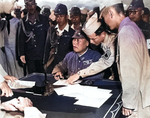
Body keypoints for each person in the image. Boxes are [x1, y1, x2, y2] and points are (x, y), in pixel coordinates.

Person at [101, 3, 150, 118]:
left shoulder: (126, 32)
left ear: (111, 13)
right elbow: (108, 59)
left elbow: (130, 70)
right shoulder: (130, 27)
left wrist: (129, 104)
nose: (105, 22)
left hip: (139, 100)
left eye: (104, 18)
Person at [67, 13, 117, 84]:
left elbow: (105, 62)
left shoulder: (113, 43)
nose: (91, 42)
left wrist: (79, 74)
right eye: (89, 39)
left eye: (93, 39)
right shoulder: (104, 42)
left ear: (102, 34)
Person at [18, 0, 49, 74]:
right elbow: (20, 38)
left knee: (43, 78)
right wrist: (21, 54)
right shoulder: (23, 21)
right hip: (30, 57)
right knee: (31, 79)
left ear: (36, 5)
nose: (31, 6)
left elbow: (48, 37)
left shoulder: (43, 19)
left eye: (32, 4)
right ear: (26, 7)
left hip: (42, 56)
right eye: (28, 5)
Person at [44, 3, 75, 73]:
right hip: (50, 66)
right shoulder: (51, 30)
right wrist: (45, 63)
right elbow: (47, 47)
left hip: (65, 68)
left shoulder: (72, 33)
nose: (58, 18)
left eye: (61, 16)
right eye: (57, 16)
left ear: (67, 16)